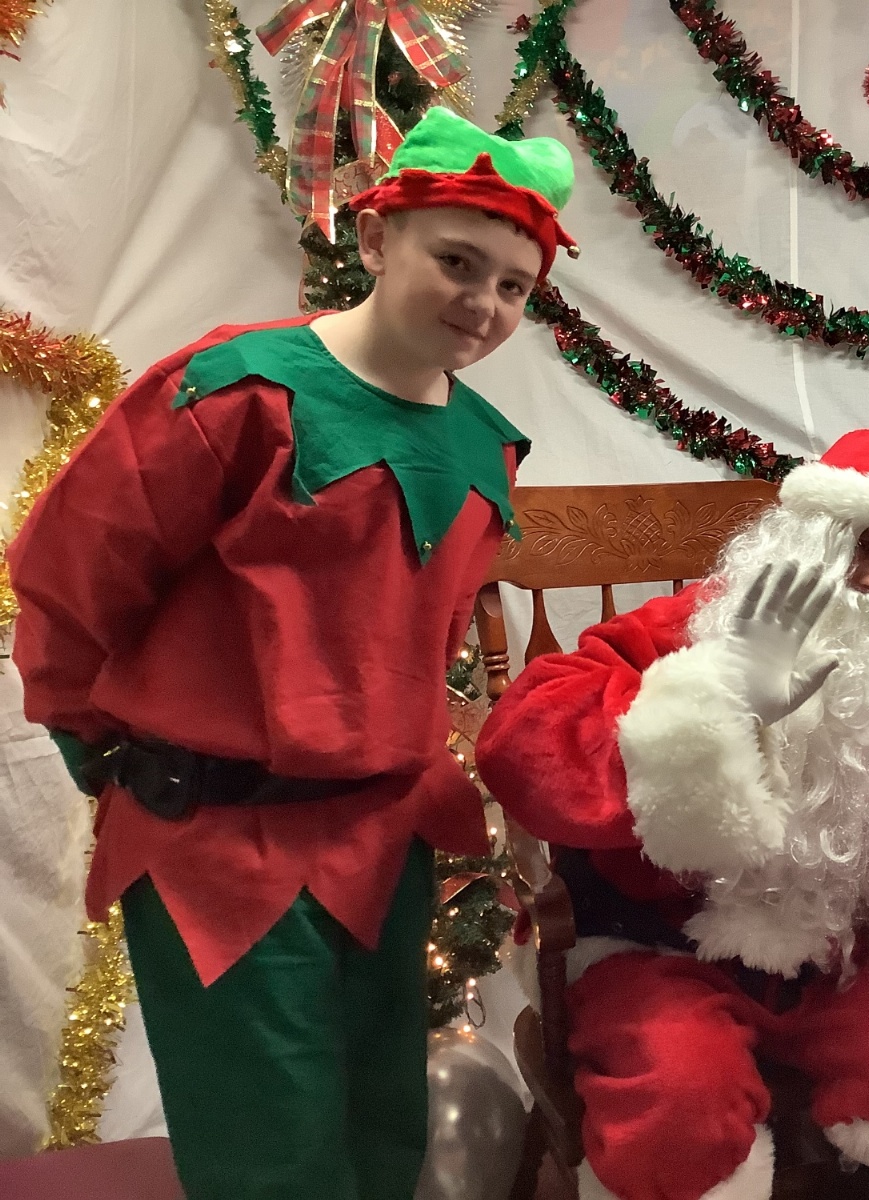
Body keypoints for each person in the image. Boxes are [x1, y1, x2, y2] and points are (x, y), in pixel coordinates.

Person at [7, 106, 577, 1200]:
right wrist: (104, 749)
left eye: (515, 286)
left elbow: (421, 639)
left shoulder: (482, 445)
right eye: (458, 262)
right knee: (268, 1143)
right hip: (221, 843)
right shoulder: (240, 394)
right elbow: (75, 572)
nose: (484, 304)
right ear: (376, 239)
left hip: (379, 843)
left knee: (380, 1119)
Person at [475, 429, 869, 1200]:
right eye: (859, 547)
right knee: (680, 1108)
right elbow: (523, 742)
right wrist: (722, 698)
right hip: (652, 942)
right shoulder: (701, 626)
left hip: (833, 955)